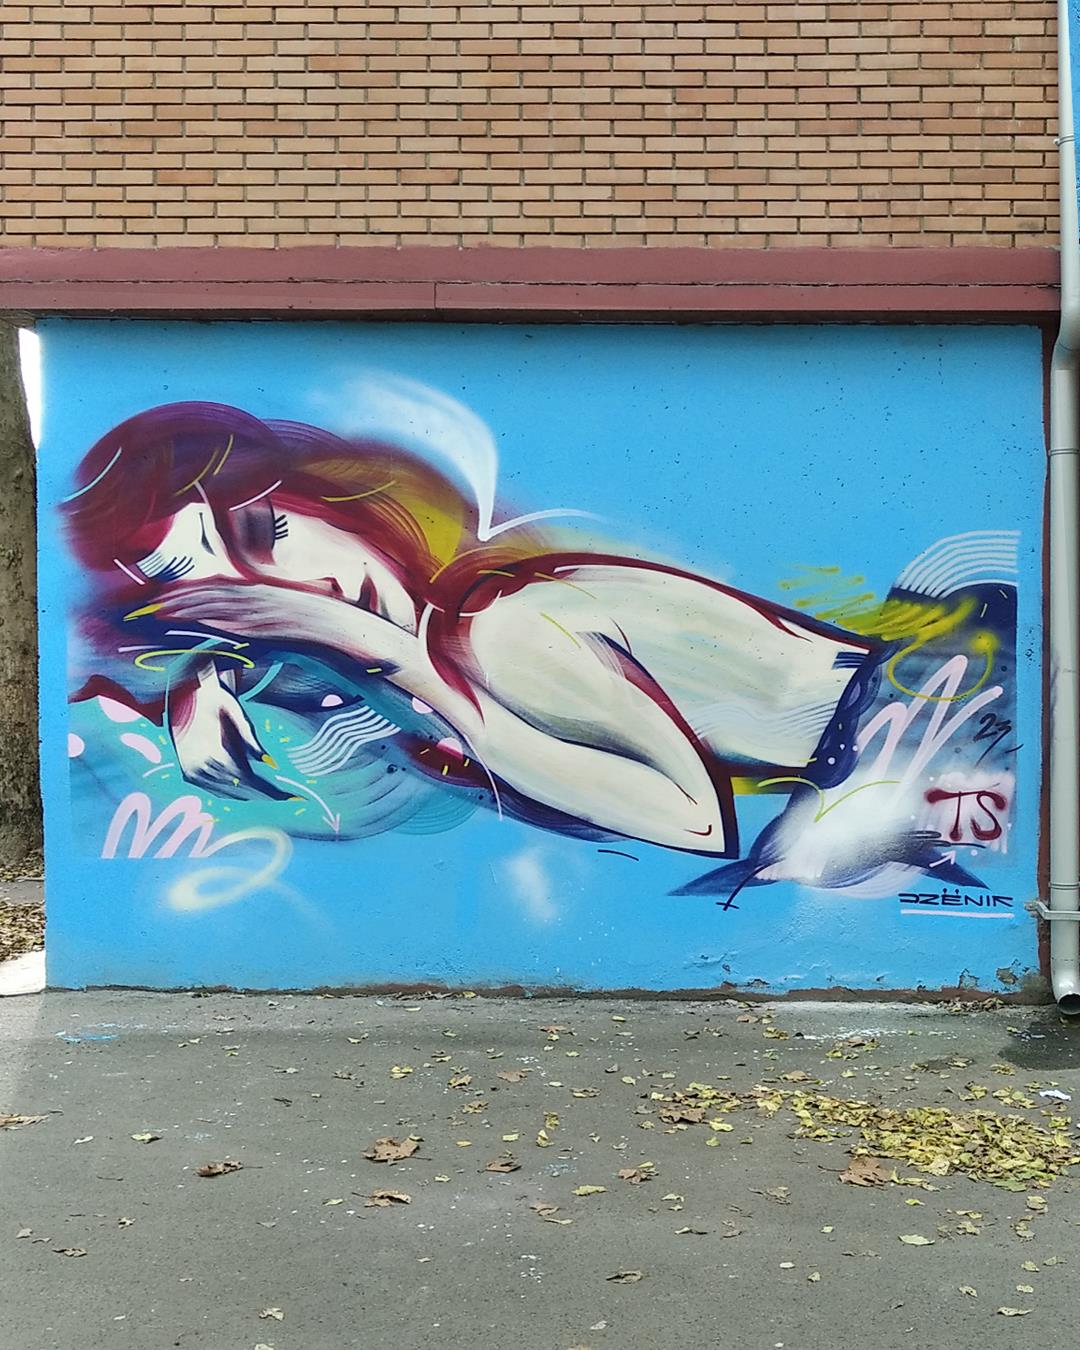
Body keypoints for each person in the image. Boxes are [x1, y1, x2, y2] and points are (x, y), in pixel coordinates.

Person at [64, 401, 880, 857]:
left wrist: (393, 658)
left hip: (918, 725)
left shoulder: (502, 624)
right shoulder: (393, 651)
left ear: (324, 502)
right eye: (216, 587)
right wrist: (204, 679)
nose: (289, 594)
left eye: (267, 532)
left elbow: (695, 820)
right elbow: (273, 645)